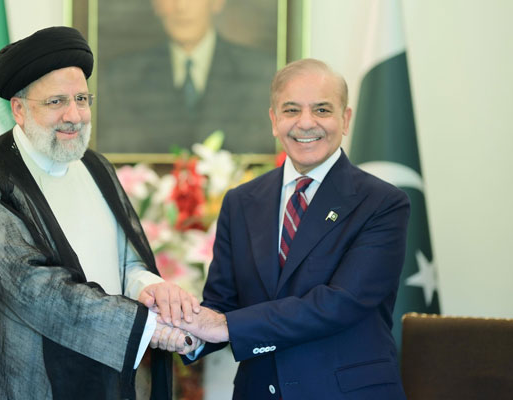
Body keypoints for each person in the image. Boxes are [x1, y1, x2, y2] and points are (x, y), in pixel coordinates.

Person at [0, 26, 201, 400]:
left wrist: (152, 290)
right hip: (21, 383)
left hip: (102, 378)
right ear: (19, 109)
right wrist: (147, 329)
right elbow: (29, 287)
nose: (75, 115)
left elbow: (126, 263)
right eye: (56, 102)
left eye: (82, 99)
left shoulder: (97, 167)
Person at [172, 59, 411, 399]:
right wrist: (186, 333)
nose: (306, 123)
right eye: (291, 110)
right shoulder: (241, 202)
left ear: (345, 119)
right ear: (274, 120)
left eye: (322, 110)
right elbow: (222, 302)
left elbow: (339, 303)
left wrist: (224, 327)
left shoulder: (382, 203)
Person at [97, 0, 277, 154]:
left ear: (217, 2)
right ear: (155, 4)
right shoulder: (122, 78)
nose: (181, 7)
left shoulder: (259, 74)